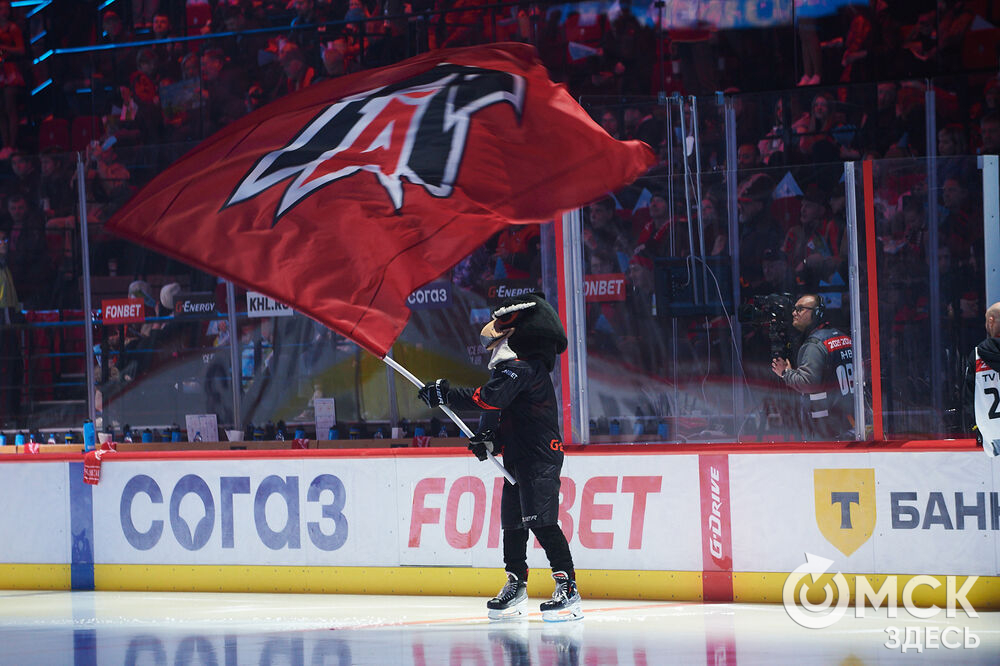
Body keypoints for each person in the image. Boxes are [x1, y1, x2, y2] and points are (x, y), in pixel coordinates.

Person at [417, 292, 582, 623]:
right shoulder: (513, 371)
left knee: (542, 522)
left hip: (539, 457)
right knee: (514, 524)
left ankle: (568, 587)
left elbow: (489, 399)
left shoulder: (524, 369)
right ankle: (516, 584)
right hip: (518, 457)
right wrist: (490, 440)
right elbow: (502, 412)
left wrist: (445, 393)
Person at [770, 293, 856, 440]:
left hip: (825, 429)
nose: (794, 313)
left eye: (800, 309)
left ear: (816, 313)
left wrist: (785, 373)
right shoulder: (844, 337)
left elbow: (809, 383)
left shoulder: (814, 345)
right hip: (850, 422)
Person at [962, 301, 1000, 456]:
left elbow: (968, 400)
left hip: (992, 436)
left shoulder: (976, 356)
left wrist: (977, 429)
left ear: (991, 321)